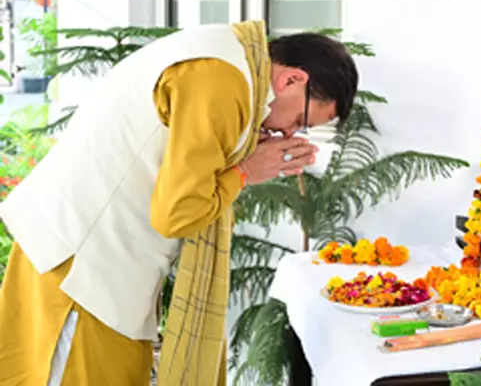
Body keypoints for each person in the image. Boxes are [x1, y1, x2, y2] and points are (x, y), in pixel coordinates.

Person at [0, 20, 358, 386]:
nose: (288, 133)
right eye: (300, 120)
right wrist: (247, 171)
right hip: (82, 269)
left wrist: (243, 157)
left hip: (83, 256)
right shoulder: (223, 80)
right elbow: (179, 212)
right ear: (291, 80)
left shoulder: (226, 56)